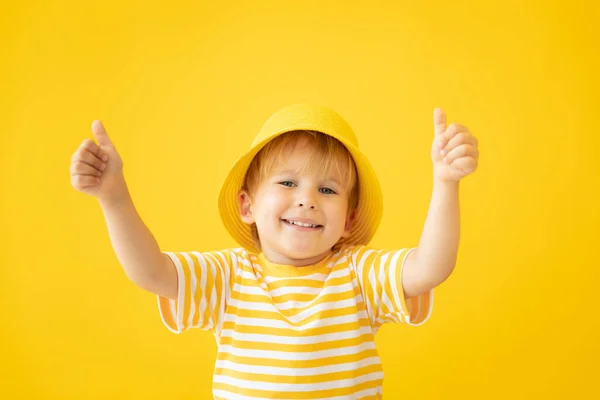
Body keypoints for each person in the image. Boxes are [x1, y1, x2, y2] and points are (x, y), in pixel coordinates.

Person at [70, 103, 479, 399]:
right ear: (247, 206)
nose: (307, 200)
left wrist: (446, 183)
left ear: (349, 220)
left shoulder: (359, 273)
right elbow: (151, 273)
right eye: (287, 183)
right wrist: (114, 197)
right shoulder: (228, 277)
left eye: (328, 189)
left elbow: (430, 268)